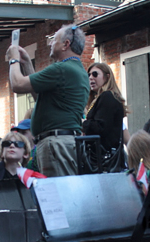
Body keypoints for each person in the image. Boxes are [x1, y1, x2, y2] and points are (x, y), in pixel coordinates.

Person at [6, 24, 89, 177]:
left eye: (54, 40)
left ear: (66, 44)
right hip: (63, 142)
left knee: (58, 196)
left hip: (56, 144)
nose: (50, 43)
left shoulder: (61, 69)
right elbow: (39, 96)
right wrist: (26, 63)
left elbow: (17, 84)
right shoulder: (76, 70)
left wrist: (13, 60)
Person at [84, 63, 127, 151]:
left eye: (95, 74)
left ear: (107, 77)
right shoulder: (101, 98)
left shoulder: (107, 96)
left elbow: (100, 127)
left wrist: (83, 123)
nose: (91, 77)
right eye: (89, 75)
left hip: (104, 156)